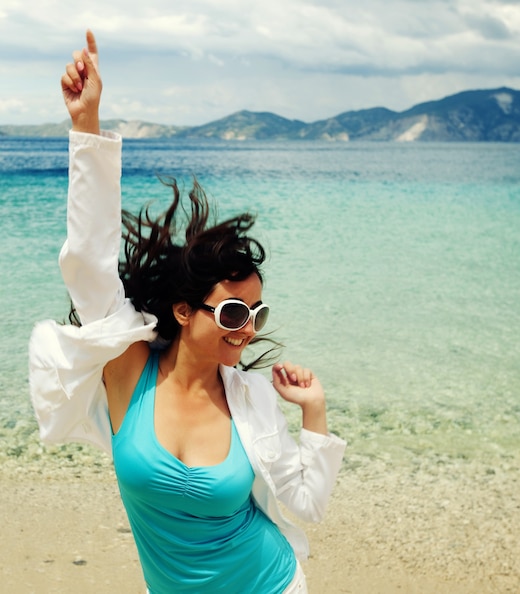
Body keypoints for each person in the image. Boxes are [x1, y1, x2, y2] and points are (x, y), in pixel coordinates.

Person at [29, 30, 346, 593]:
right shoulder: (127, 373)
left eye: (256, 313)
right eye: (231, 314)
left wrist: (314, 412)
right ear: (182, 311)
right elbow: (89, 261)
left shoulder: (251, 399)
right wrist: (87, 125)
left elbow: (307, 504)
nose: (246, 329)